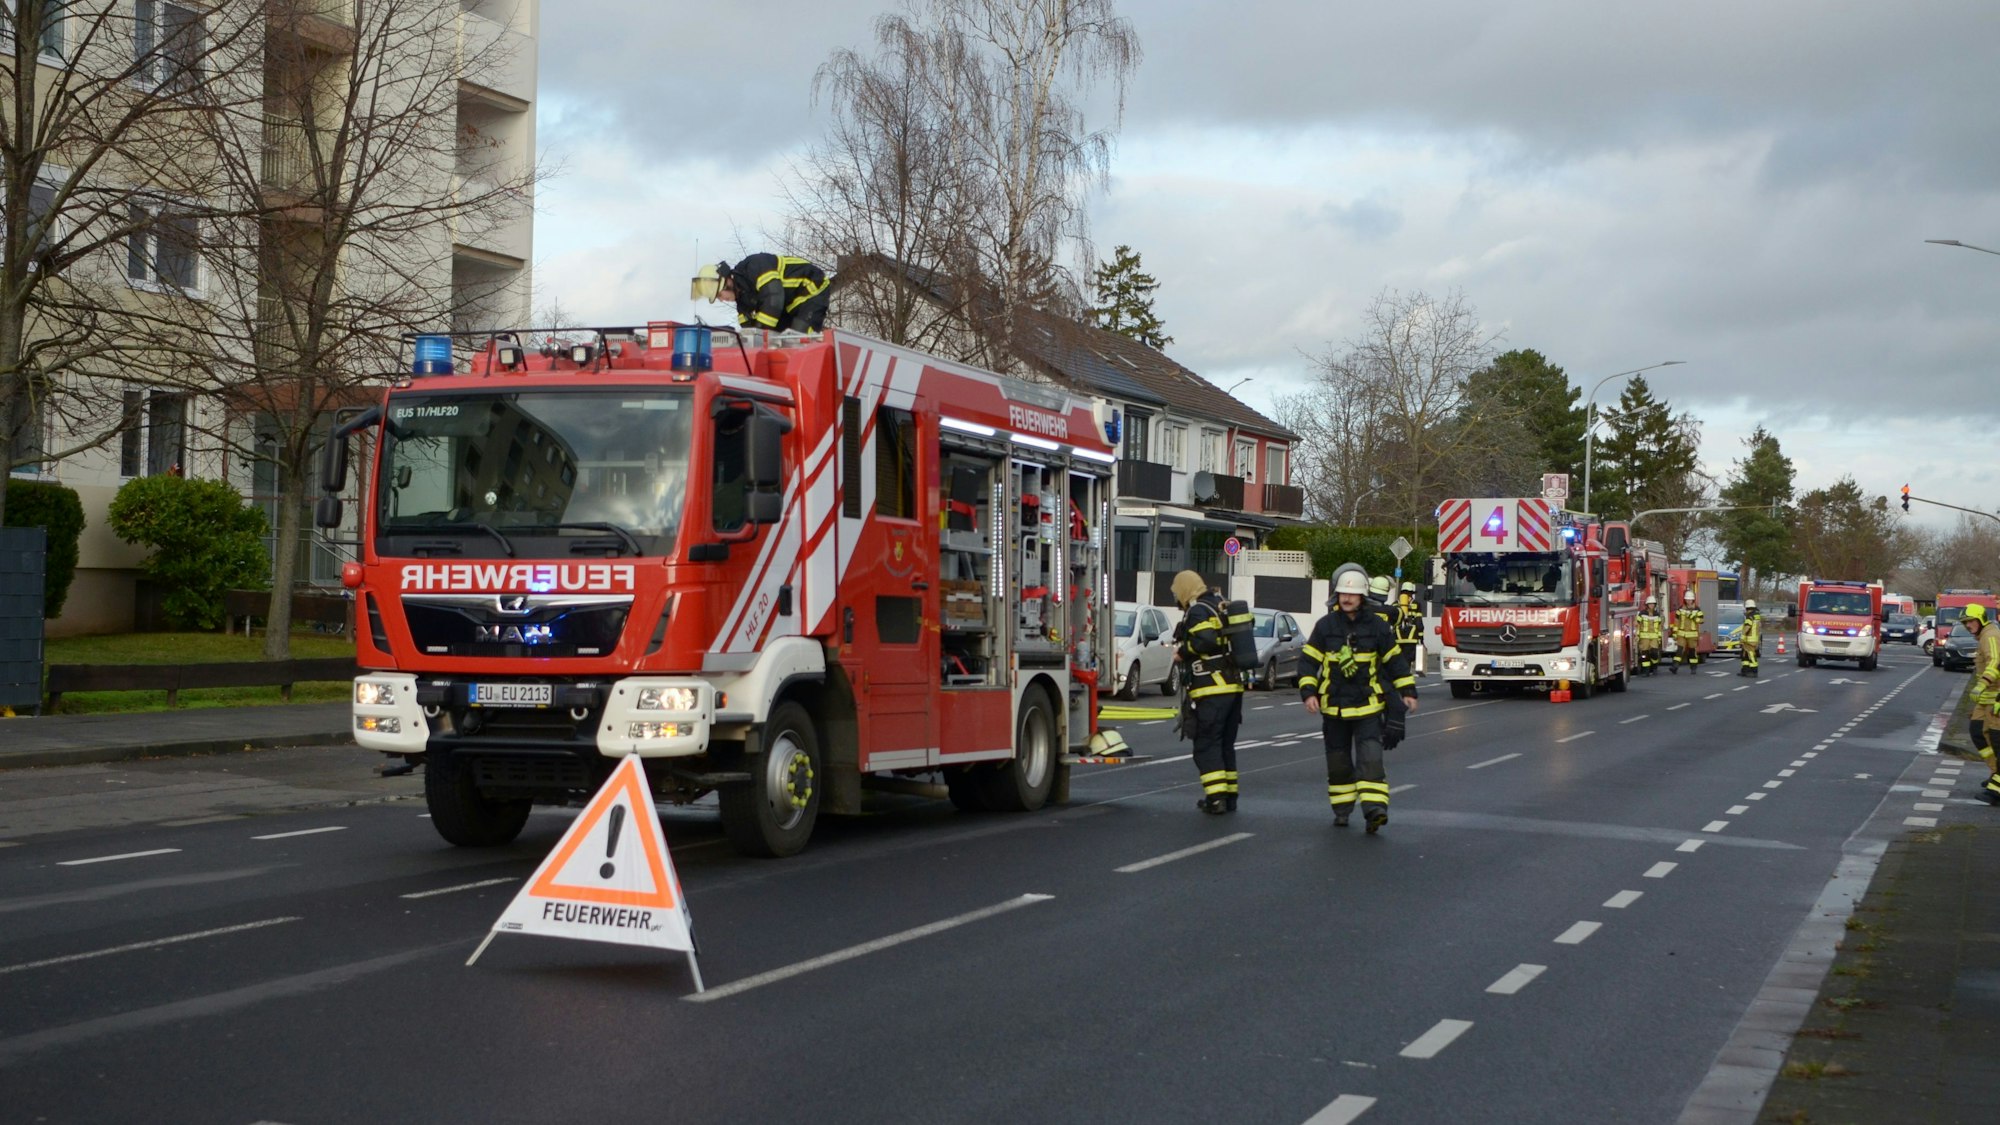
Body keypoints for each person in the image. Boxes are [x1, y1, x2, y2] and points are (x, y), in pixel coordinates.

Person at [1301, 568, 1419, 834]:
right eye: (1343, 593)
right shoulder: (1325, 626)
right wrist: (1309, 693)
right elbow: (1308, 662)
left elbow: (1395, 662)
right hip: (1334, 710)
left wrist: (1408, 692)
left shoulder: (1377, 627)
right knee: (1339, 764)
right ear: (1337, 595)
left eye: (1352, 594)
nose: (1347, 598)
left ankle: (1375, 811)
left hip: (1368, 707)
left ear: (1362, 596)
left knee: (1370, 760)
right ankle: (1342, 811)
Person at [1171, 569, 1246, 814]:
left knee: (1206, 744)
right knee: (1225, 744)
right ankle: (1229, 797)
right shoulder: (1218, 603)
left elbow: (1205, 641)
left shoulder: (1198, 610)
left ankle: (1216, 799)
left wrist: (1183, 652)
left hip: (1212, 690)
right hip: (1232, 687)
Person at [691, 254, 831, 333]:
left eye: (719, 295)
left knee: (798, 337)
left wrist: (758, 332)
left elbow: (774, 299)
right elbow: (749, 332)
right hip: (788, 305)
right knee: (780, 342)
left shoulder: (754, 266)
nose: (722, 300)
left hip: (811, 288)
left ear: (727, 282)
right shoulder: (743, 305)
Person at [1963, 603, 2000, 805]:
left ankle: (1997, 790)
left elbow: (1996, 662)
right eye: (1965, 622)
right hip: (1987, 699)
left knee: (1997, 740)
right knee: (1977, 731)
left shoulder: (1991, 636)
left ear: (1981, 619)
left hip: (1996, 698)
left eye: (1970, 621)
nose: (1967, 625)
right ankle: (1995, 772)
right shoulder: (1984, 636)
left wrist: (1982, 684)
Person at [1395, 580, 1425, 675]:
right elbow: (1419, 623)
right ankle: (1405, 677)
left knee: (1397, 660)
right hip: (1411, 639)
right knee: (1407, 661)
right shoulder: (1416, 604)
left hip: (1397, 638)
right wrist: (1421, 638)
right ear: (1412, 593)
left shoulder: (1395, 604)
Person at [1671, 590, 1703, 674]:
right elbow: (1676, 621)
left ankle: (1693, 667)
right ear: (1685, 600)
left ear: (1693, 600)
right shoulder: (1680, 609)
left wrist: (1694, 617)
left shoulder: (1697, 609)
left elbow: (1702, 620)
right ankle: (1675, 666)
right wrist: (1674, 632)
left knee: (1692, 652)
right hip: (1681, 633)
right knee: (1679, 650)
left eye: (1690, 600)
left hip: (1692, 634)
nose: (1688, 601)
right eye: (1687, 600)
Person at [1635, 596, 1664, 675]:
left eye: (1653, 604)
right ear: (1647, 605)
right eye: (1650, 604)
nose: (1651, 606)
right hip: (1644, 638)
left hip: (1654, 638)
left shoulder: (1657, 615)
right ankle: (1646, 670)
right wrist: (1637, 635)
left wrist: (1659, 637)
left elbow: (1659, 627)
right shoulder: (1642, 614)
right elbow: (1637, 624)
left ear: (1655, 605)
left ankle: (1654, 666)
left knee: (1654, 653)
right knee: (1644, 654)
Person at [1738, 599, 1762, 677]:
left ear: (1747, 608)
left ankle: (1753, 670)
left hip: (1749, 639)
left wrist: (1742, 638)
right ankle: (1745, 670)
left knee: (1750, 654)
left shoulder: (1750, 616)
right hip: (1755, 638)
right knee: (1745, 654)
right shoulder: (1756, 615)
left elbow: (1747, 627)